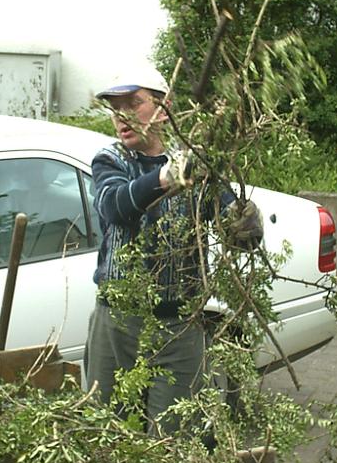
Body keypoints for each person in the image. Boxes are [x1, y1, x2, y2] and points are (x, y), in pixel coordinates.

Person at [83, 62, 264, 435]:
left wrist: (245, 221)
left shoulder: (197, 166)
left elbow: (240, 236)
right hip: (117, 323)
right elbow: (116, 206)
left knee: (174, 440)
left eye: (133, 103)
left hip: (179, 327)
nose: (122, 115)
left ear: (163, 110)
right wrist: (168, 175)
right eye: (115, 107)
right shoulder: (110, 160)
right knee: (110, 436)